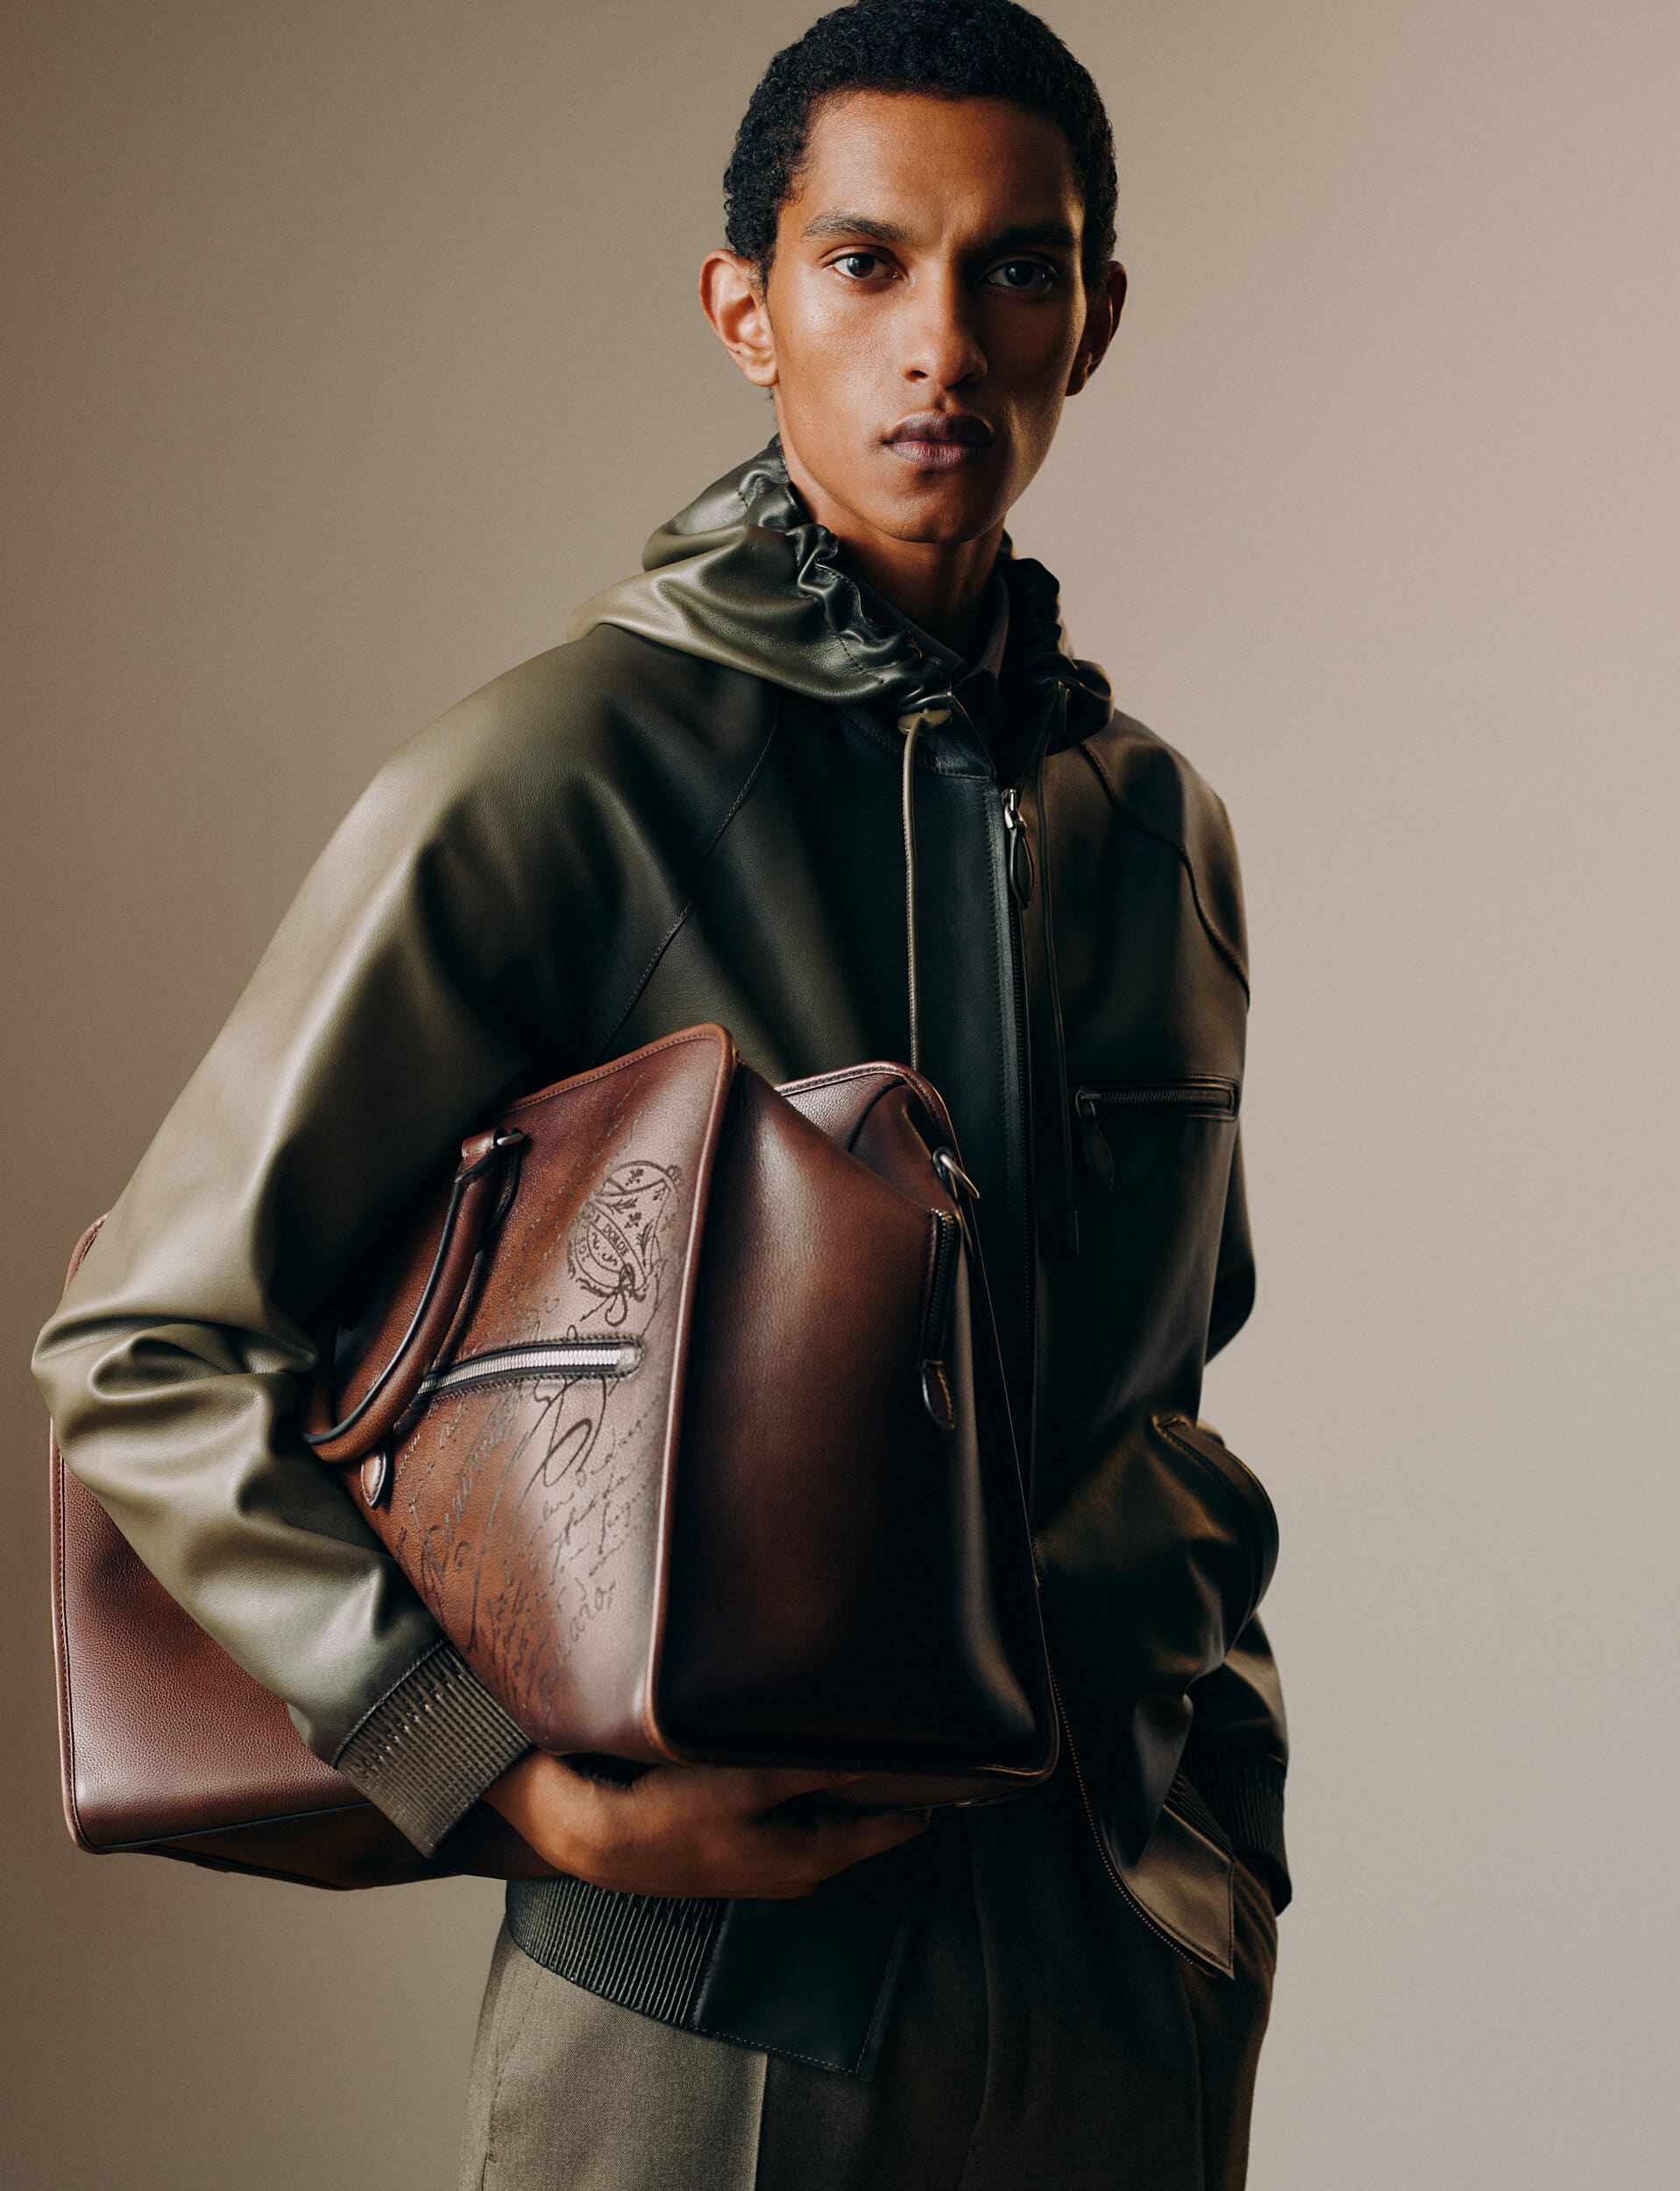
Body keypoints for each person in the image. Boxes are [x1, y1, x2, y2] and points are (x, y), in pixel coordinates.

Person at [34, 3, 1289, 2184]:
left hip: (1121, 1977)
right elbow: (144, 1347)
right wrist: (493, 1774)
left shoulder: (1156, 833)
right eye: (864, 262)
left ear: (1092, 320)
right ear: (746, 308)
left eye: (1015, 268)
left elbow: (1168, 1387)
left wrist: (1215, 1853)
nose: (941, 344)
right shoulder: (564, 777)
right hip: (714, 2003)